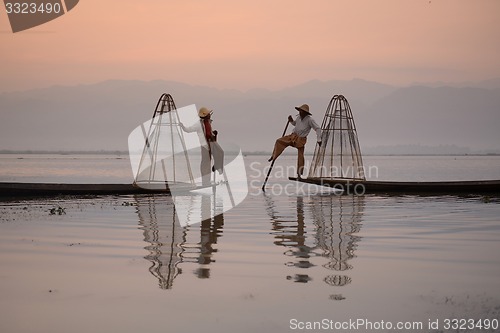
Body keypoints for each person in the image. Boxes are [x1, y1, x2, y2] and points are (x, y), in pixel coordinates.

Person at [269, 104, 322, 178]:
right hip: (293, 136)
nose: (300, 112)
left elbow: (318, 128)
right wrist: (291, 121)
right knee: (279, 141)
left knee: (300, 156)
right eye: (300, 111)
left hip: (300, 140)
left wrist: (319, 139)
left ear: (305, 112)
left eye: (302, 111)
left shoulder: (310, 120)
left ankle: (299, 174)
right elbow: (295, 124)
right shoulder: (298, 117)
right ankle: (274, 156)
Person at [182, 107, 224, 185]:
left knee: (220, 152)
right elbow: (189, 129)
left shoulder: (208, 122)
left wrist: (213, 133)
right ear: (205, 115)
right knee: (206, 163)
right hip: (205, 145)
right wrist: (183, 127)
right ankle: (205, 182)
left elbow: (209, 133)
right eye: (208, 114)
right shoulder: (199, 124)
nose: (210, 115)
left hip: (211, 142)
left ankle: (217, 166)